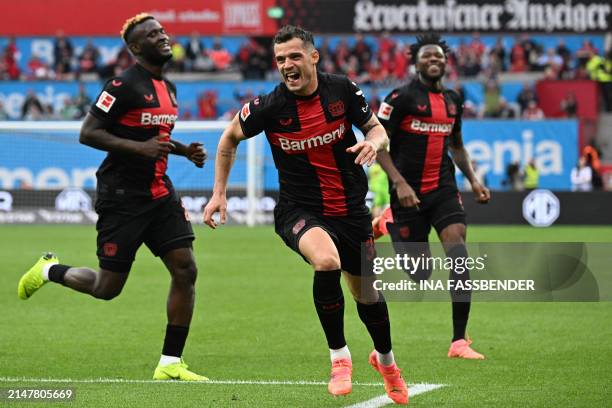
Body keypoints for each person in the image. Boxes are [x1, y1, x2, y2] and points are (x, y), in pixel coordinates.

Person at [203, 25, 408, 404]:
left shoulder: (342, 90)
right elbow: (228, 137)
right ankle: (339, 359)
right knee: (326, 261)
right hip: (298, 209)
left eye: (294, 56)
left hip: (349, 210)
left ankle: (387, 363)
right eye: (280, 59)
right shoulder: (269, 107)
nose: (286, 65)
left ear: (313, 57)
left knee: (367, 296)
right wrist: (219, 194)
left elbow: (378, 131)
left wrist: (373, 143)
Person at [17, 13, 208, 381]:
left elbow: (155, 138)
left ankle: (170, 363)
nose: (163, 36)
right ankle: (48, 270)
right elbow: (88, 133)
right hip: (122, 197)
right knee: (108, 289)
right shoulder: (121, 86)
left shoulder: (169, 88)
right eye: (152, 34)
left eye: (163, 31)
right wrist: (140, 150)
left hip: (159, 192)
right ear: (136, 48)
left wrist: (184, 151)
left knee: (186, 269)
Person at [373, 33, 491, 360]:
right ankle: (388, 221)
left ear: (446, 61)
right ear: (416, 62)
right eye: (427, 56)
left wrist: (474, 181)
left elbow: (457, 146)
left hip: (443, 189)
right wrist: (399, 183)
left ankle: (459, 341)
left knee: (458, 252)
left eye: (438, 56)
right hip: (407, 194)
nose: (434, 60)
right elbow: (378, 144)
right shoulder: (401, 98)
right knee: (420, 273)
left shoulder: (453, 100)